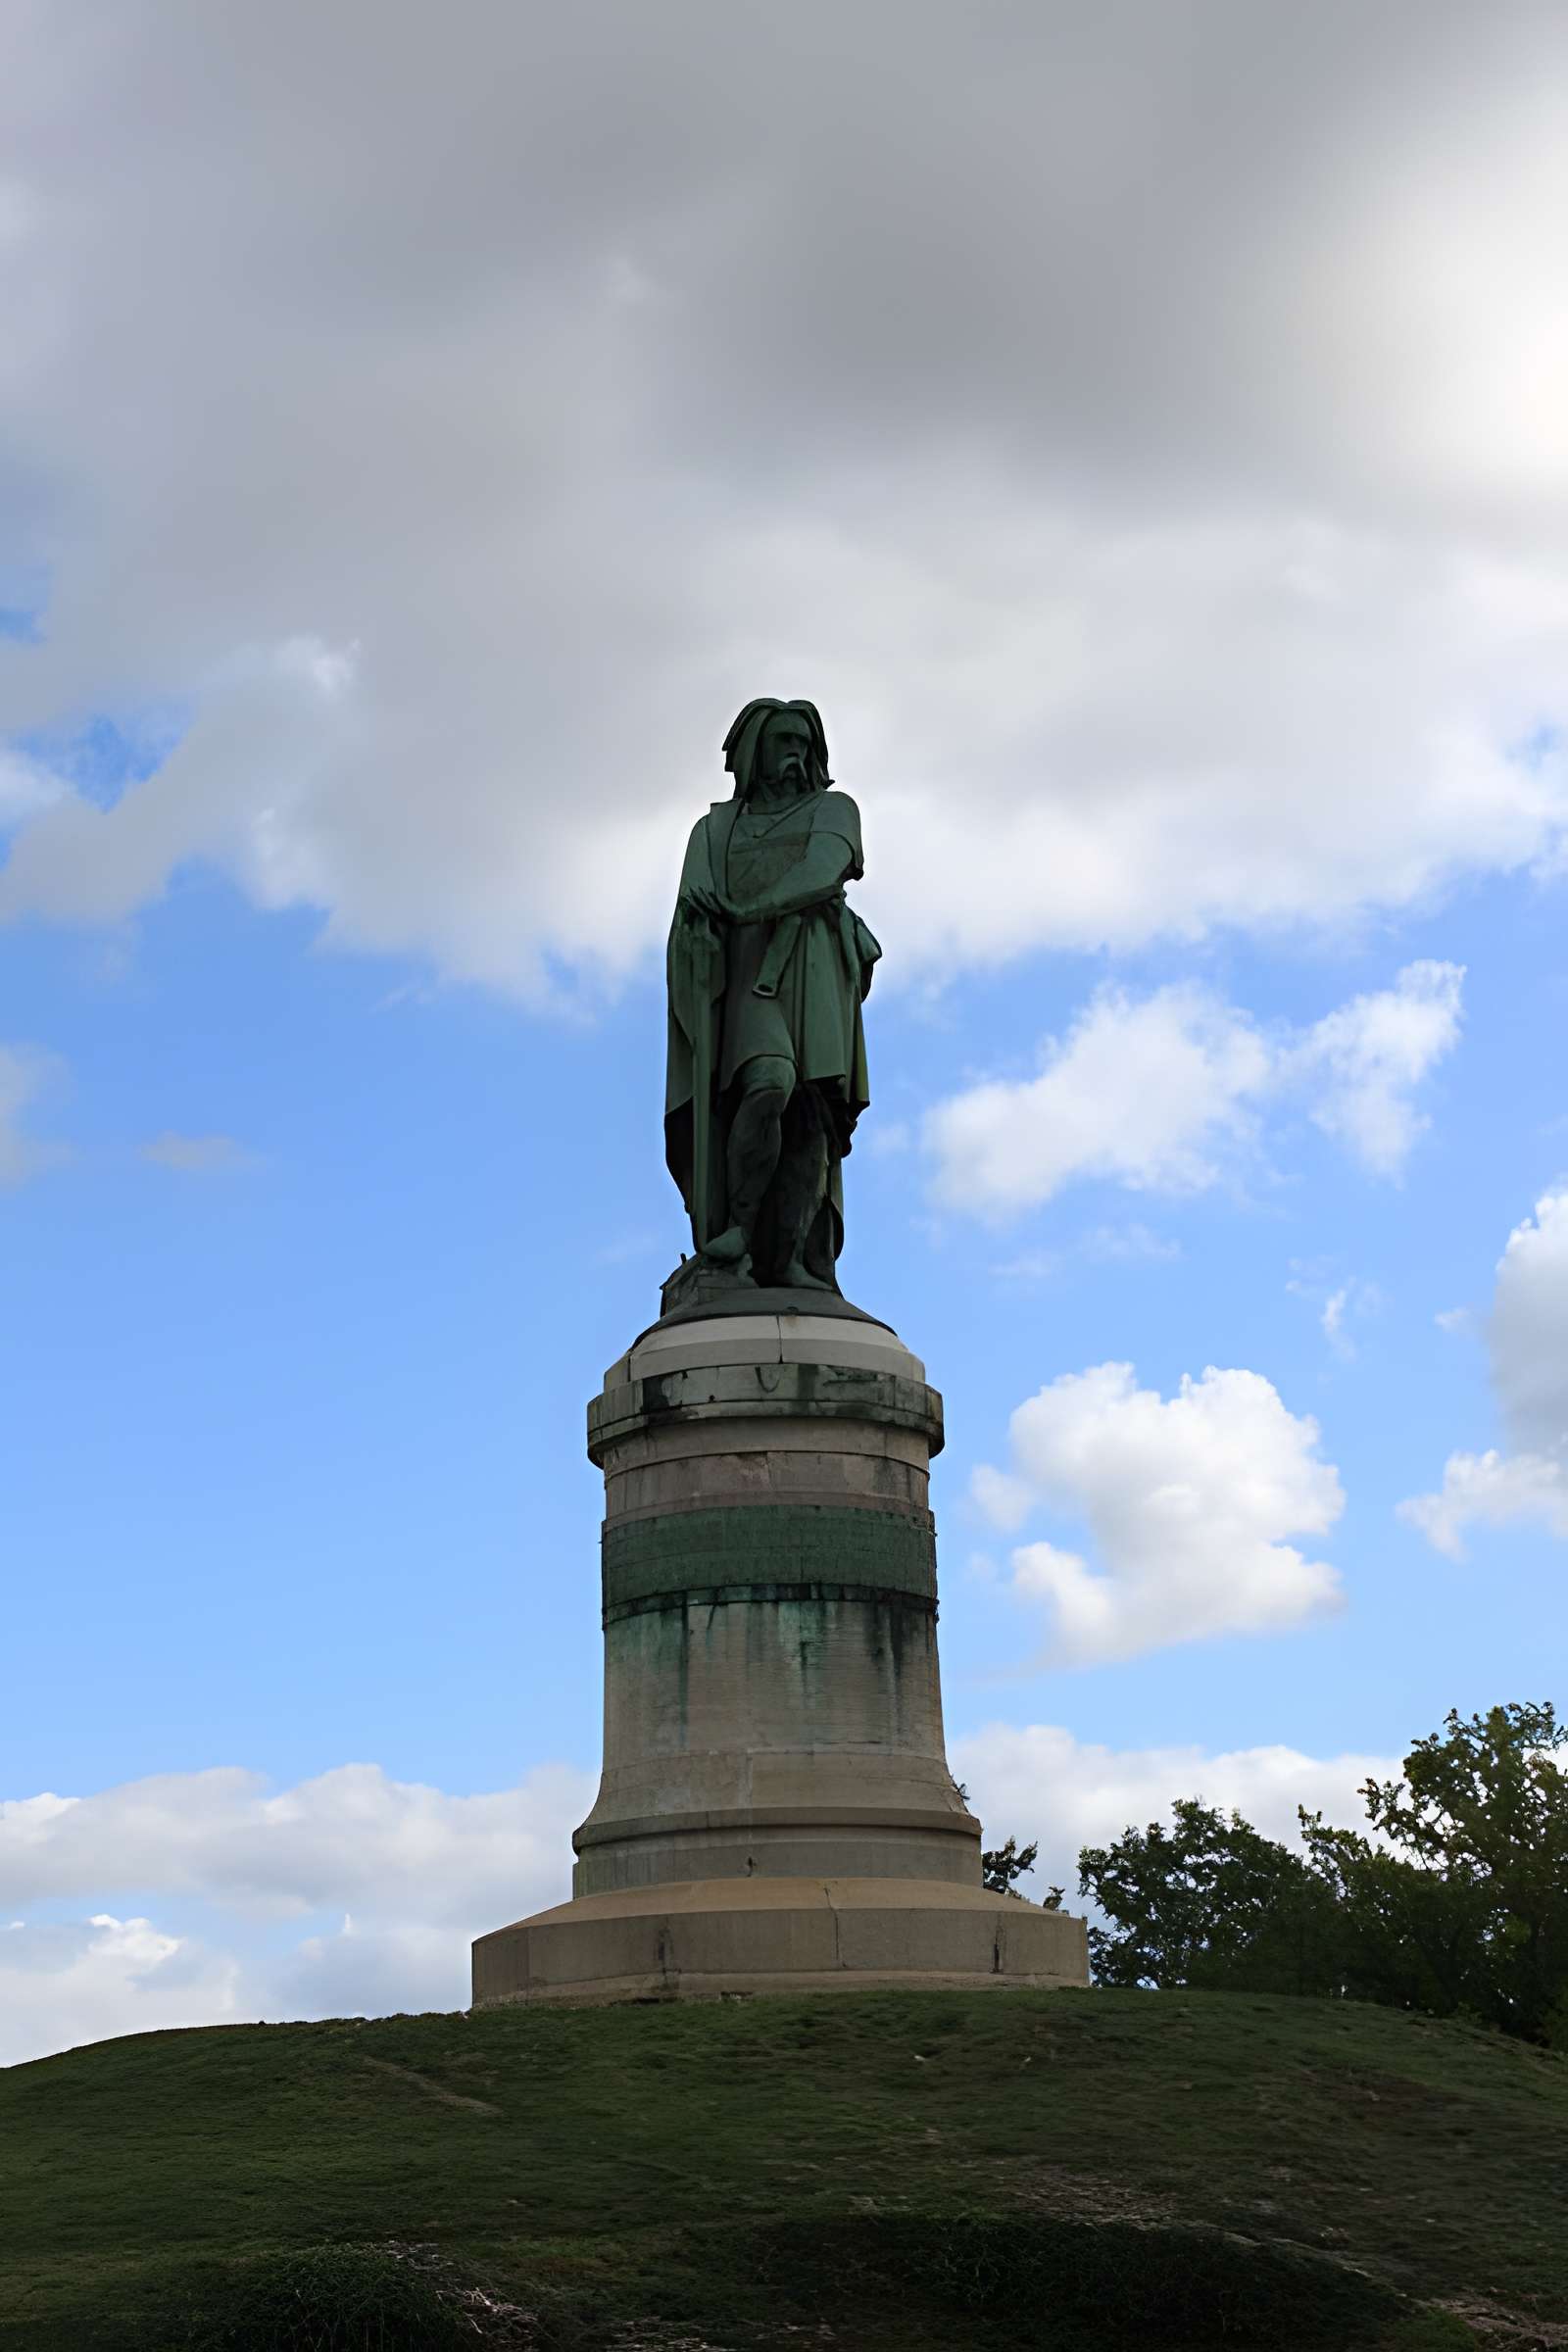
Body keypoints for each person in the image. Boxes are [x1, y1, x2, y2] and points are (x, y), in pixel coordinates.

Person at [664, 699, 879, 1293]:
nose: (795, 755)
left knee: (811, 1111)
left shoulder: (834, 809)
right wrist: (700, 934)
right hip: (743, 975)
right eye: (782, 743)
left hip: (812, 963)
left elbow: (823, 867)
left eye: (804, 745)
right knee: (768, 1083)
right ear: (752, 753)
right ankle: (735, 1231)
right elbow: (693, 908)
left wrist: (742, 909)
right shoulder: (713, 831)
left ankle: (788, 1258)